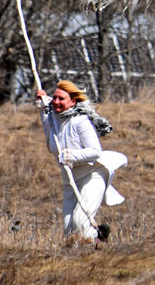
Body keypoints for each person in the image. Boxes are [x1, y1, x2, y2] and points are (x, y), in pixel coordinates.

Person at [35, 80, 127, 241]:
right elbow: (47, 122)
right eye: (54, 98)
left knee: (80, 223)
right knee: (69, 230)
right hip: (69, 179)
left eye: (61, 99)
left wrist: (71, 155)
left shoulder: (80, 121)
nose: (56, 102)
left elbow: (95, 151)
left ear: (73, 102)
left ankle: (96, 245)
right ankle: (96, 239)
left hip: (93, 174)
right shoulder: (53, 120)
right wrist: (43, 103)